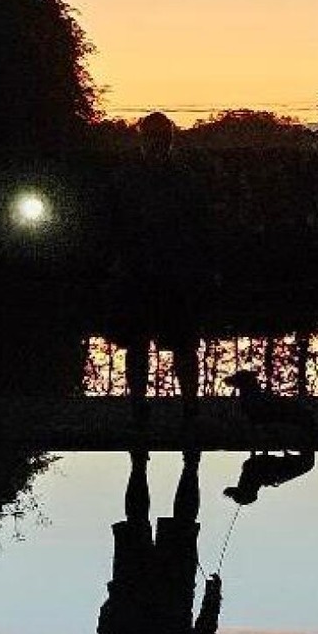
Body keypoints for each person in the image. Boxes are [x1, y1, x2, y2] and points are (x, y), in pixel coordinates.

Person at [98, 449, 222, 634]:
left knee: (173, 521)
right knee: (143, 521)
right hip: (142, 587)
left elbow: (205, 632)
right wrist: (116, 596)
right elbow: (106, 627)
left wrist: (213, 596)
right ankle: (143, 461)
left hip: (165, 589)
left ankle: (189, 462)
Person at [109, 112, 211, 423]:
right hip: (154, 269)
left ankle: (165, 406)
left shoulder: (134, 179)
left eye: (160, 138)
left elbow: (197, 226)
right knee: (157, 344)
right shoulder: (180, 178)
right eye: (155, 138)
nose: (157, 144)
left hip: (162, 270)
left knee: (167, 344)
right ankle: (174, 407)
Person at [224, 450, 316, 506]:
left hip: (264, 469)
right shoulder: (245, 488)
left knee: (305, 464)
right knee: (305, 464)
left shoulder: (245, 485)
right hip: (266, 470)